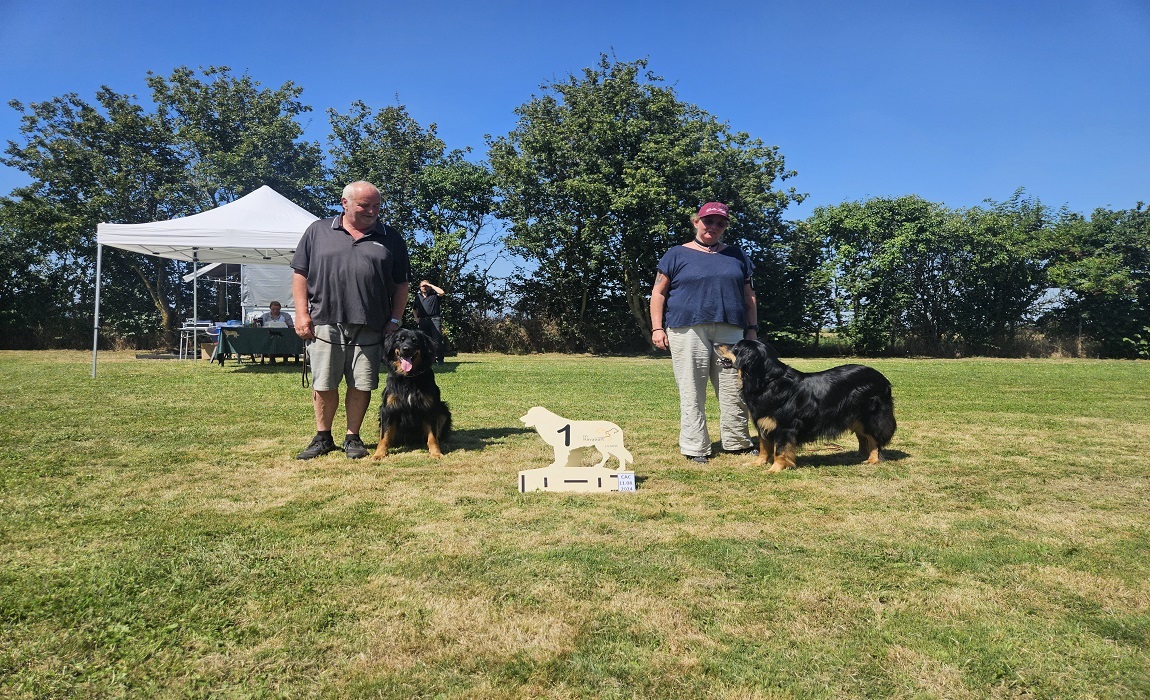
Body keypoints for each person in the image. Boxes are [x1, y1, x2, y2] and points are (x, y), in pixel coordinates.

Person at [291, 181, 411, 460]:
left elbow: (401, 284)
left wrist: (394, 320)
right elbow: (300, 274)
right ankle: (322, 437)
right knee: (324, 382)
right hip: (324, 321)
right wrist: (301, 314)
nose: (372, 211)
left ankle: (352, 437)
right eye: (364, 205)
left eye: (376, 206)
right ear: (344, 203)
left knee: (362, 383)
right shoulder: (318, 231)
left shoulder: (391, 237)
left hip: (371, 325)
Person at [649, 201, 759, 463]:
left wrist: (752, 329)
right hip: (687, 329)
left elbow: (749, 296)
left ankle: (737, 442)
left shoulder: (737, 256)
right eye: (708, 221)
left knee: (735, 388)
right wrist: (656, 327)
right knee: (692, 390)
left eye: (720, 223)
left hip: (730, 330)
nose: (714, 227)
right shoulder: (676, 254)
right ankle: (695, 447)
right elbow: (658, 292)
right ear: (696, 222)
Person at [413, 279, 446, 363]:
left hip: (435, 319)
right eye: (423, 286)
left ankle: (440, 359)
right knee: (425, 340)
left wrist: (431, 285)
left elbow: (442, 292)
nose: (424, 288)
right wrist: (416, 318)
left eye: (426, 286)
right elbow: (414, 309)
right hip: (423, 320)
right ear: (420, 287)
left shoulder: (434, 295)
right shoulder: (418, 297)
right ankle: (431, 359)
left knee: (437, 339)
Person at [259, 300, 295, 365]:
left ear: (280, 309)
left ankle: (285, 360)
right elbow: (261, 326)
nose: (275, 311)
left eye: (277, 309)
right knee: (270, 341)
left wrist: (285, 323)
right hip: (269, 336)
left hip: (283, 335)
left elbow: (291, 326)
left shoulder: (286, 315)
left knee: (286, 341)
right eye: (273, 309)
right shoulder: (265, 316)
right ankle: (272, 360)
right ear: (270, 308)